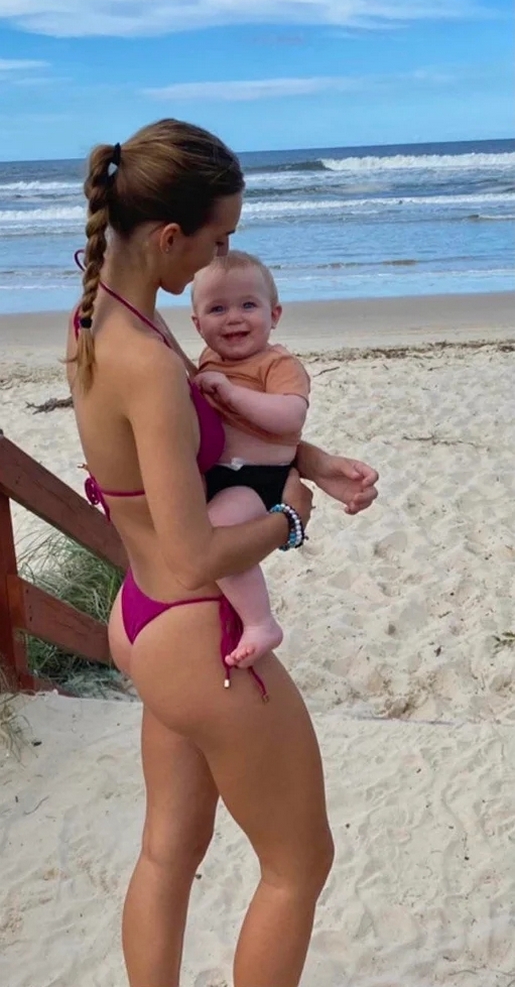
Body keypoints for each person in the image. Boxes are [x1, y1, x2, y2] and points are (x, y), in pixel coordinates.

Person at [66, 118, 379, 987]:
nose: (222, 252)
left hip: (140, 616)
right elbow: (201, 551)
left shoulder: (98, 317)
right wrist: (292, 518)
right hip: (196, 631)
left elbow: (203, 447)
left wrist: (309, 458)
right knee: (298, 864)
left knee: (168, 853)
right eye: (218, 238)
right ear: (172, 237)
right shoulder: (151, 358)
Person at [190, 249, 311, 671]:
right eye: (217, 308)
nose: (234, 318)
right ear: (197, 324)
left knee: (216, 533)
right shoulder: (208, 361)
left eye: (248, 305)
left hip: (260, 478)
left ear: (274, 314)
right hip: (221, 473)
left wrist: (230, 393)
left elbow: (289, 417)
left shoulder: (277, 363)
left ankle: (260, 622)